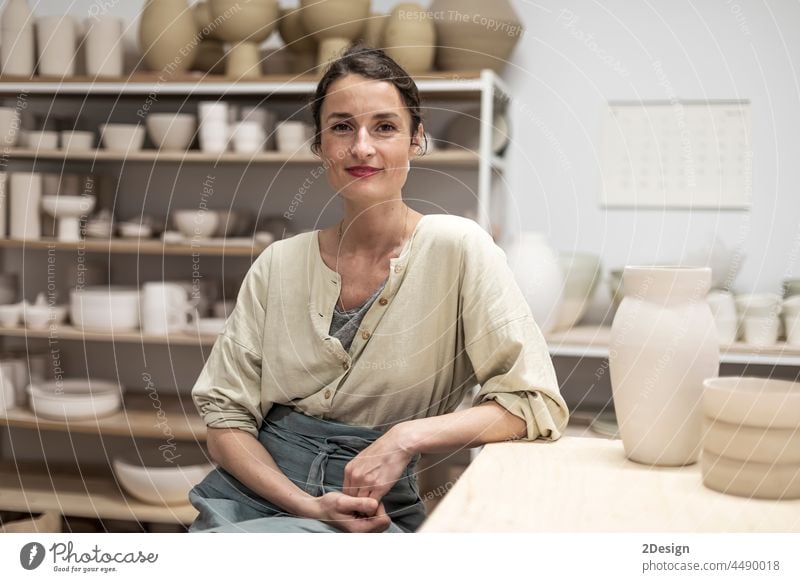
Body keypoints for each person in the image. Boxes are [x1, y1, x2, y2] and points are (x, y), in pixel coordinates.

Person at [188, 44, 569, 533]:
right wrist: (307, 506)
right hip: (250, 495)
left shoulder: (459, 248)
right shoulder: (277, 265)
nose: (362, 147)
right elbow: (226, 420)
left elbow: (532, 404)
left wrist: (404, 438)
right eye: (342, 127)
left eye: (385, 127)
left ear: (416, 140)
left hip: (369, 508)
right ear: (320, 144)